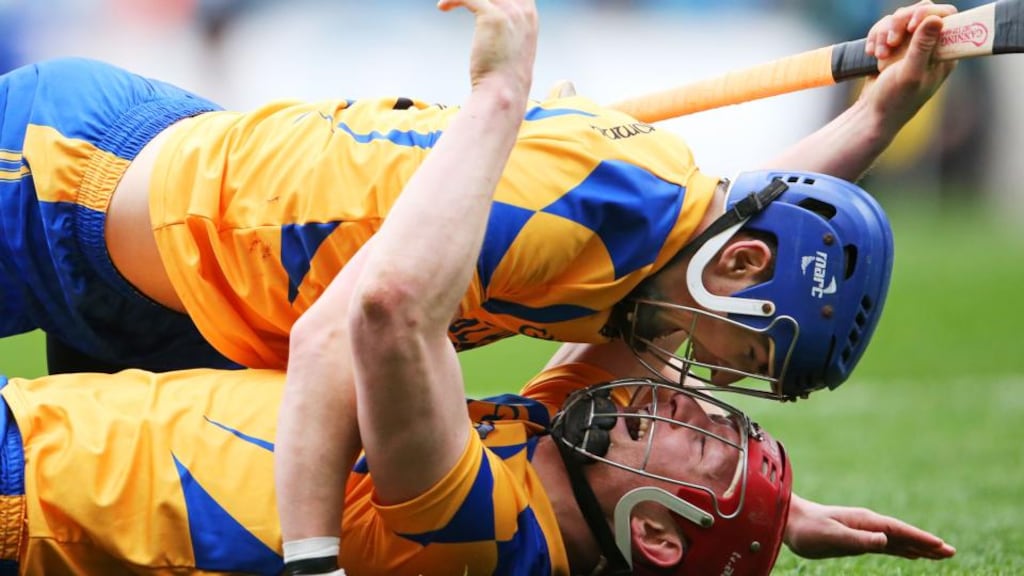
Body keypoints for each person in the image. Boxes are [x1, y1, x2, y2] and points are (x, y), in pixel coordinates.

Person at [0, 0, 955, 394]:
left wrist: (881, 112)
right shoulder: (571, 221)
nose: (720, 372)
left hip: (197, 299)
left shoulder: (669, 237)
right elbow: (360, 337)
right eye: (745, 351)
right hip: (71, 185)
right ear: (738, 266)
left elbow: (759, 223)